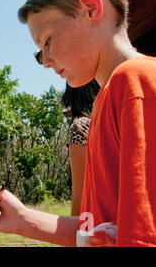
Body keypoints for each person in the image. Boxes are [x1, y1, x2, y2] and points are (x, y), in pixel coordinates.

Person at [0, 0, 156, 247]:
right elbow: (102, 229)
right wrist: (23, 219)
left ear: (90, 8)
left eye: (47, 41)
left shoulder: (136, 82)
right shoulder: (107, 98)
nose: (46, 61)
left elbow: (143, 239)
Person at [61, 80, 100, 216]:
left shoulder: (81, 127)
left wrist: (78, 235)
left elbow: (81, 199)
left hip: (97, 220)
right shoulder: (108, 120)